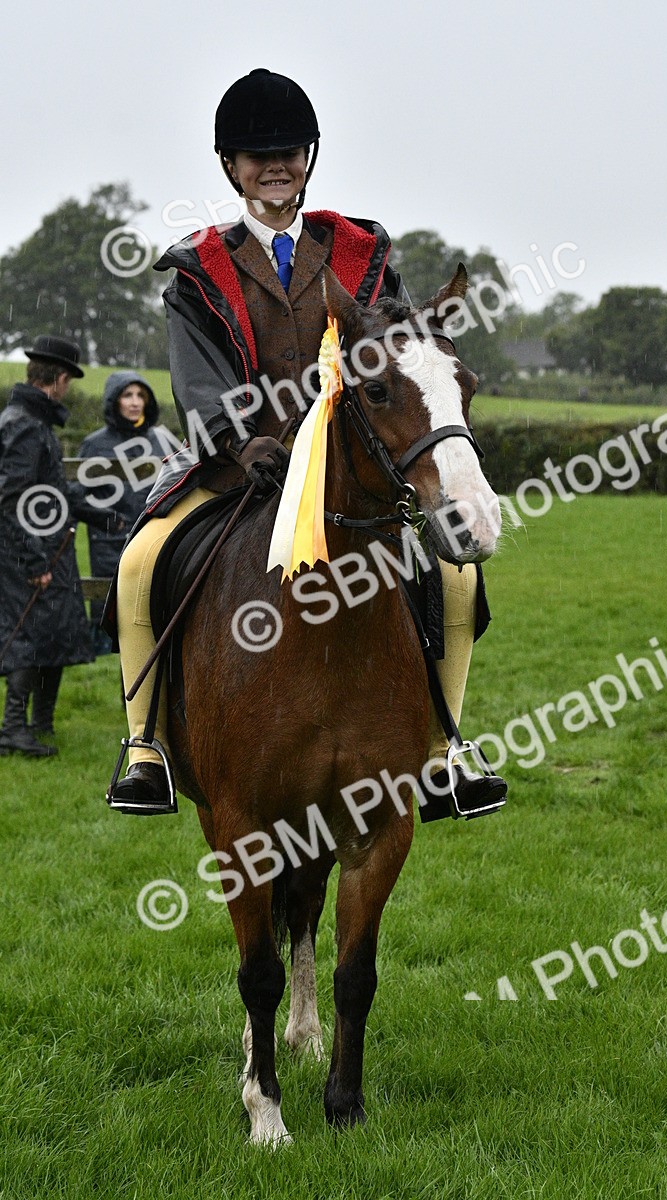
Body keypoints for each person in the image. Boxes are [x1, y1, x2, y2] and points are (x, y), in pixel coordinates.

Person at [107, 68, 507, 820]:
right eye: (258, 156)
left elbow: (399, 348)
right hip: (239, 470)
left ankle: (443, 751)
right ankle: (145, 750)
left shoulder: (361, 251)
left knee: (455, 575)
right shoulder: (197, 269)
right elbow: (196, 378)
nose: (276, 166)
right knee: (140, 561)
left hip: (350, 468)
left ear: (308, 158)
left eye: (288, 152)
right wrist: (240, 441)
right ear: (231, 167)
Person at [0, 336, 119, 756]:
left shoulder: (33, 422)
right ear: (60, 379)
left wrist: (105, 517)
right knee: (28, 635)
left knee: (52, 633)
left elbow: (53, 491)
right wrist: (33, 561)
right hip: (29, 553)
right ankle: (12, 729)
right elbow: (11, 500)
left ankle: (41, 723)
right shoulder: (24, 426)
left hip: (46, 549)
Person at [79, 372, 172, 653]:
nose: (135, 402)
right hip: (110, 545)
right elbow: (79, 495)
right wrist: (112, 521)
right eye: (127, 395)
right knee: (119, 627)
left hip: (154, 541)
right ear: (114, 400)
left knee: (153, 622)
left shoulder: (162, 440)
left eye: (140, 395)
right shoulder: (95, 445)